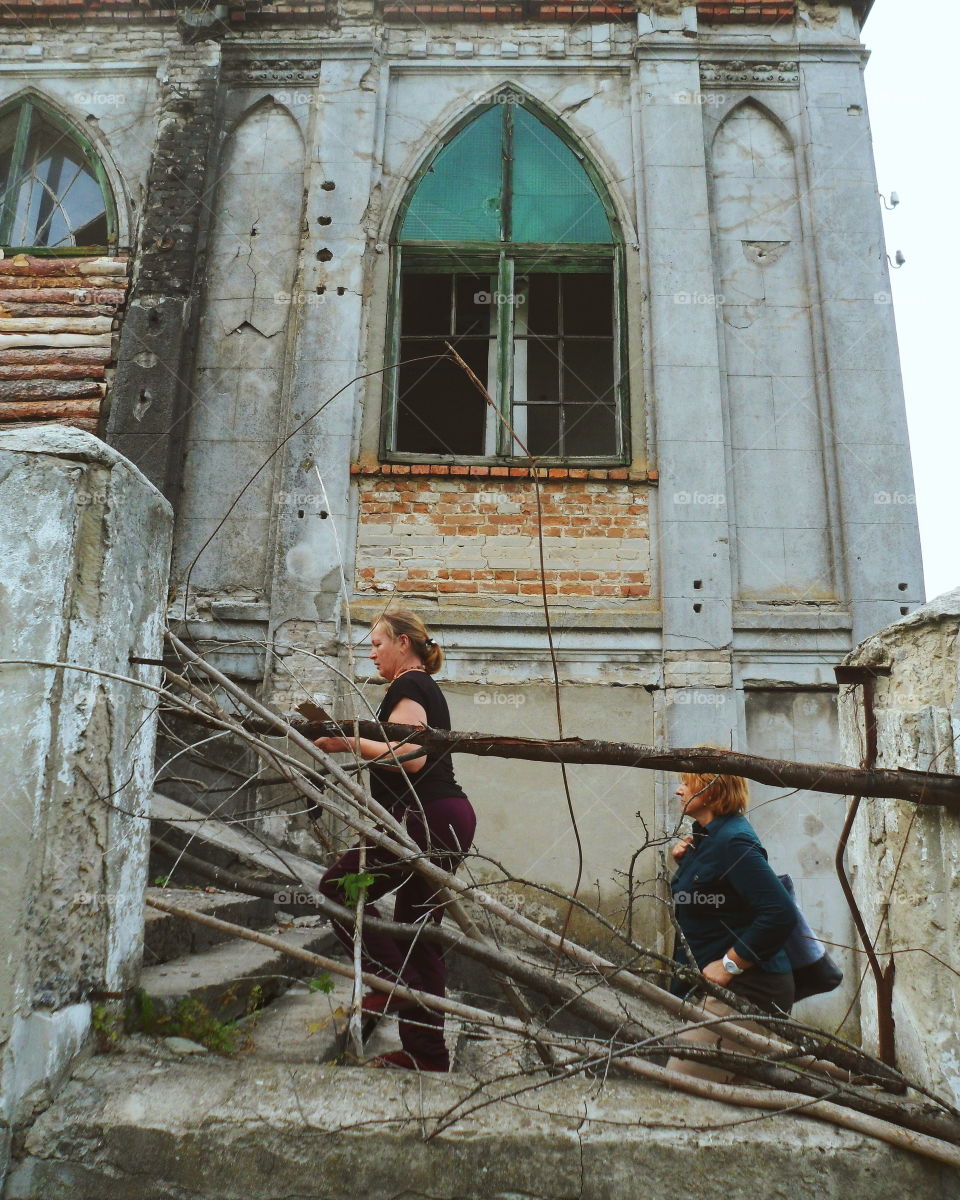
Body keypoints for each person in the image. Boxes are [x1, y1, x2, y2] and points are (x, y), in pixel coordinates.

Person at [314, 609, 476, 1073]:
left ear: (403, 643)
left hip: (423, 819)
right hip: (446, 817)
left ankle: (388, 982)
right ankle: (427, 1057)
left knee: (338, 889)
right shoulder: (422, 688)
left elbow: (408, 757)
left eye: (377, 643)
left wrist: (346, 739)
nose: (371, 652)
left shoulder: (410, 685)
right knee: (419, 936)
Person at [667, 768, 797, 1083]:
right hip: (720, 987)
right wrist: (686, 863)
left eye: (687, 782)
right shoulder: (706, 838)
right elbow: (716, 897)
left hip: (750, 989)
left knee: (683, 1083)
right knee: (735, 1087)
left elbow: (779, 913)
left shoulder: (733, 841)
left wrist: (728, 966)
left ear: (711, 791)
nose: (678, 790)